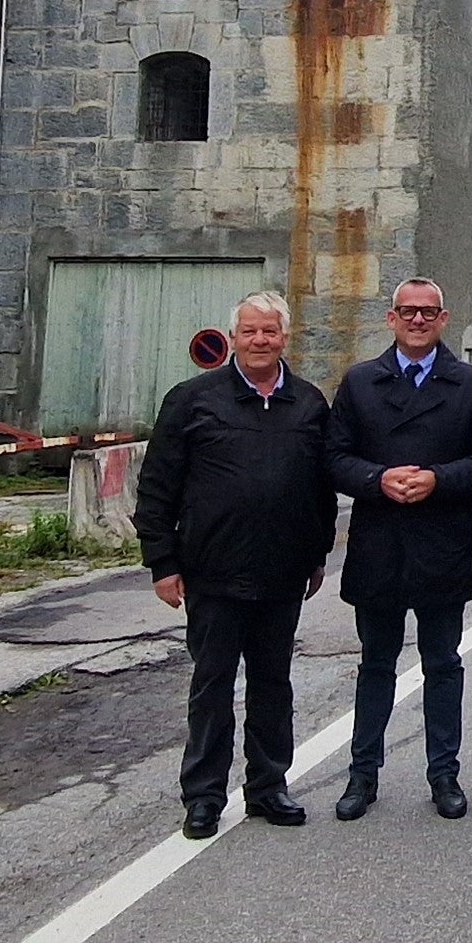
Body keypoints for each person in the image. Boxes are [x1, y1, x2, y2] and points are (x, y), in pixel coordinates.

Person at [134, 291, 336, 840]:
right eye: (249, 331)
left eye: (269, 331)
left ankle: (269, 787)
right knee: (212, 686)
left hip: (282, 573)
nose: (259, 341)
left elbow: (320, 489)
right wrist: (162, 562)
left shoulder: (308, 403)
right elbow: (157, 487)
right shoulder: (192, 400)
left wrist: (317, 554)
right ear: (233, 338)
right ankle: (203, 796)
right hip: (211, 571)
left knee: (273, 684)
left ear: (285, 337)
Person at [327, 276, 472, 822]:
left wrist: (438, 479)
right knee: (375, 664)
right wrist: (377, 478)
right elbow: (333, 457)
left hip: (441, 541)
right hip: (378, 543)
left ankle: (444, 774)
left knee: (443, 664)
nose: (418, 320)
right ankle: (362, 774)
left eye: (428, 312)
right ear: (392, 319)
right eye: (408, 311)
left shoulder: (471, 384)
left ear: (443, 319)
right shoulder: (360, 382)